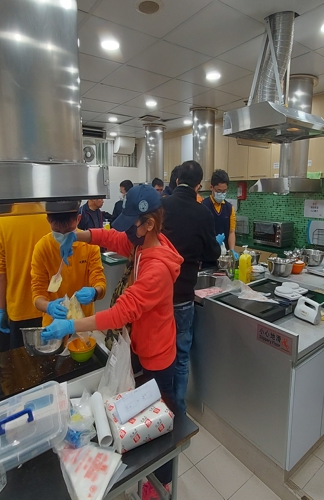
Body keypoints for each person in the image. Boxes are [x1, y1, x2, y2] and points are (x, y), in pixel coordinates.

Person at [43, 185, 182, 490]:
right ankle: (153, 475)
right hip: (142, 344)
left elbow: (120, 313)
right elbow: (114, 239)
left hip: (157, 354)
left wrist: (70, 326)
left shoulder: (157, 269)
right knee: (143, 417)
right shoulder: (142, 243)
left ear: (149, 224)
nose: (127, 231)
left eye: (133, 224)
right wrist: (77, 236)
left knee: (160, 421)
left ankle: (164, 482)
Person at [161, 160, 221, 413]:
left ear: (176, 181)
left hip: (157, 295)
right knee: (181, 356)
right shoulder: (203, 213)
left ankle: (159, 409)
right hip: (184, 297)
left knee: (158, 354)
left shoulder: (161, 205)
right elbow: (212, 252)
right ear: (199, 185)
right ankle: (179, 411)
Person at [31, 202, 106, 332]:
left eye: (68, 231)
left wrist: (94, 292)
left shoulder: (89, 246)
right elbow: (38, 294)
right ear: (48, 220)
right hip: (54, 325)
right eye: (57, 231)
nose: (63, 236)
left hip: (83, 324)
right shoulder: (42, 248)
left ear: (78, 219)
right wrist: (49, 307)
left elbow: (99, 282)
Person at [0, 204, 50, 351]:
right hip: (49, 306)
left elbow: (0, 273)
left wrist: (1, 309)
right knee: (49, 356)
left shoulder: (1, 222)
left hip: (18, 307)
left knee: (21, 360)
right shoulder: (50, 219)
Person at [202, 169, 238, 259]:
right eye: (218, 191)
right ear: (211, 187)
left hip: (224, 256)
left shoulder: (229, 208)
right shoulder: (203, 206)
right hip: (207, 255)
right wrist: (213, 241)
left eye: (224, 191)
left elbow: (231, 232)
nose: (221, 194)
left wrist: (232, 250)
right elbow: (200, 233)